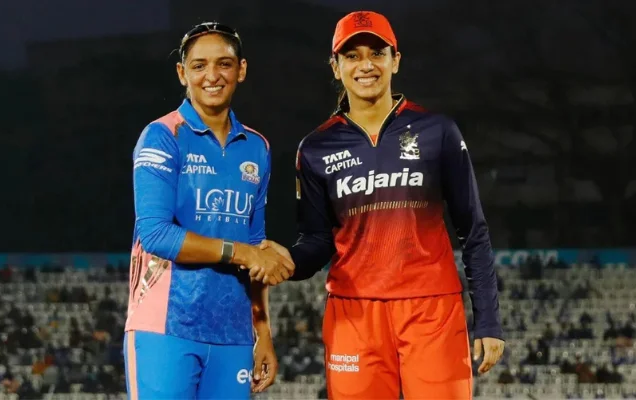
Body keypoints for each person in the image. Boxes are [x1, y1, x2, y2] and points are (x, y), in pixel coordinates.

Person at [260, 11, 505, 399]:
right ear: (335, 67)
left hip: (431, 309)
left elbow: (473, 229)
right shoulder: (316, 148)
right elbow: (317, 241)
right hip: (354, 314)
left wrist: (488, 319)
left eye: (377, 53)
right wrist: (288, 261)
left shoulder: (437, 131)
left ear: (396, 60)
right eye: (352, 56)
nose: (366, 65)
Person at [123, 22, 294, 399]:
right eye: (199, 66)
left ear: (241, 70)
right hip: (165, 327)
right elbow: (156, 234)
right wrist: (242, 253)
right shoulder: (162, 135)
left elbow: (255, 246)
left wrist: (262, 331)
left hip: (233, 335)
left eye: (224, 64)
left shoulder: (257, 147)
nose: (212, 76)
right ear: (182, 73)